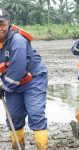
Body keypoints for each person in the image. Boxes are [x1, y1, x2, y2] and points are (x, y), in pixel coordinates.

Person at [0, 9, 48, 150]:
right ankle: (18, 147)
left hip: (33, 79)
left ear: (8, 23)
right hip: (12, 83)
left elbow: (19, 68)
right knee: (13, 117)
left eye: (2, 24)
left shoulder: (17, 41)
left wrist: (3, 86)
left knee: (36, 114)